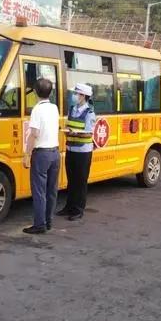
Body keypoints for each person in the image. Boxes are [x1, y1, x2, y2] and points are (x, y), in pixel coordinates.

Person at [22, 78, 60, 234]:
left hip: (42, 154)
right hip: (55, 153)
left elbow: (34, 134)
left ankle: (39, 225)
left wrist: (27, 154)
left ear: (35, 92)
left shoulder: (37, 109)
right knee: (51, 190)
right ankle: (48, 221)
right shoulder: (54, 108)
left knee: (39, 191)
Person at [57, 83, 96, 221]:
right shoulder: (72, 109)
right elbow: (69, 126)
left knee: (80, 181)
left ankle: (78, 209)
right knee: (71, 180)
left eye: (77, 94)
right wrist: (67, 131)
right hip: (71, 149)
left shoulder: (89, 113)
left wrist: (76, 133)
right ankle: (69, 207)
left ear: (83, 96)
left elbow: (89, 133)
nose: (74, 96)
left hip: (83, 152)